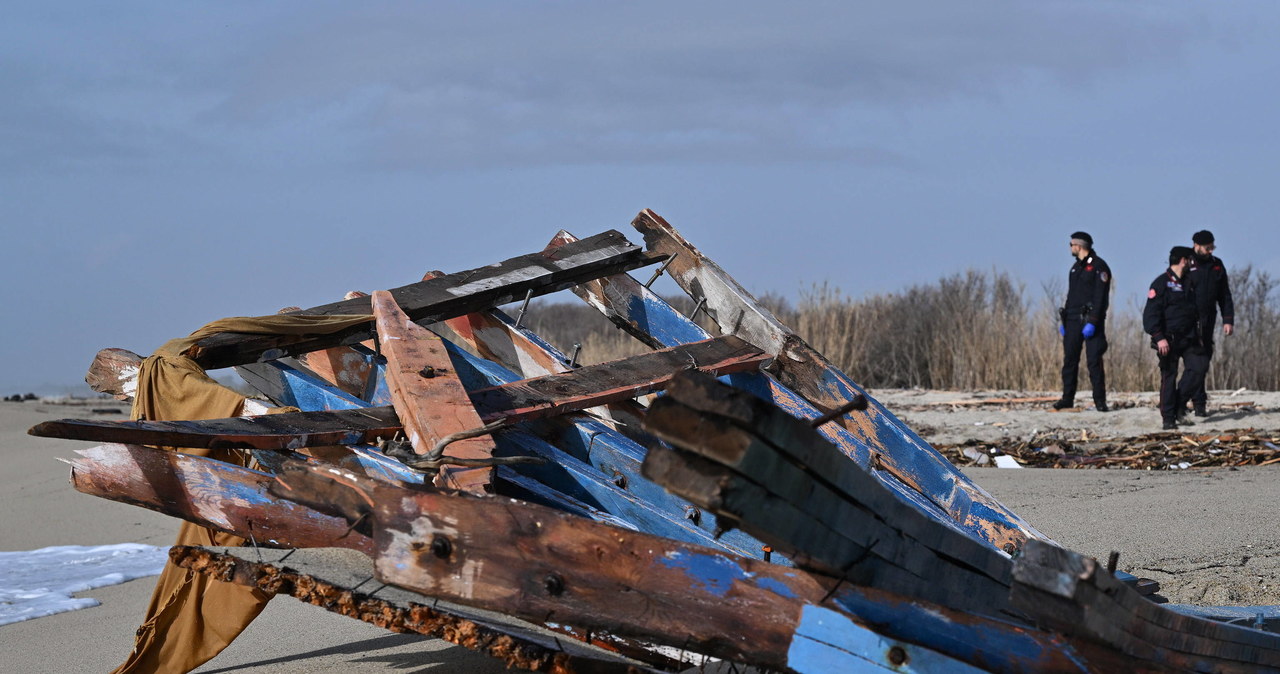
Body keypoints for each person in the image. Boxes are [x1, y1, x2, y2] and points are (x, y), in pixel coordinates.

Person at [1143, 246, 1210, 430]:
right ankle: (1168, 417)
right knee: (1169, 376)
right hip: (1168, 340)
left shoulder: (1189, 283)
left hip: (1189, 338)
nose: (1191, 263)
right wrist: (1159, 337)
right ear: (1183, 260)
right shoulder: (1161, 283)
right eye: (1189, 260)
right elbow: (1150, 316)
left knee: (1199, 367)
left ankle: (1180, 403)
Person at [1053, 231, 1111, 411]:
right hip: (1072, 320)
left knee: (1094, 362)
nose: (1070, 248)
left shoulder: (1099, 267)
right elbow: (1071, 296)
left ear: (1079, 245)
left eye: (1071, 245)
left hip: (1090, 320)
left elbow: (1100, 297)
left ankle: (1100, 401)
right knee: (1069, 361)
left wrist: (1093, 321)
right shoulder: (1075, 268)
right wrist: (1065, 322)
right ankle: (1067, 398)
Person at [1185, 229, 1234, 416]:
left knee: (1204, 361)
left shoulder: (1216, 265)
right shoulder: (1185, 262)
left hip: (1208, 319)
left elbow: (1224, 295)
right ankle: (1191, 401)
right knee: (1194, 362)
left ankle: (1199, 404)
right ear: (1196, 246)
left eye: (1212, 247)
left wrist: (1228, 320)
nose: (1210, 251)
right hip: (1188, 321)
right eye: (1207, 248)